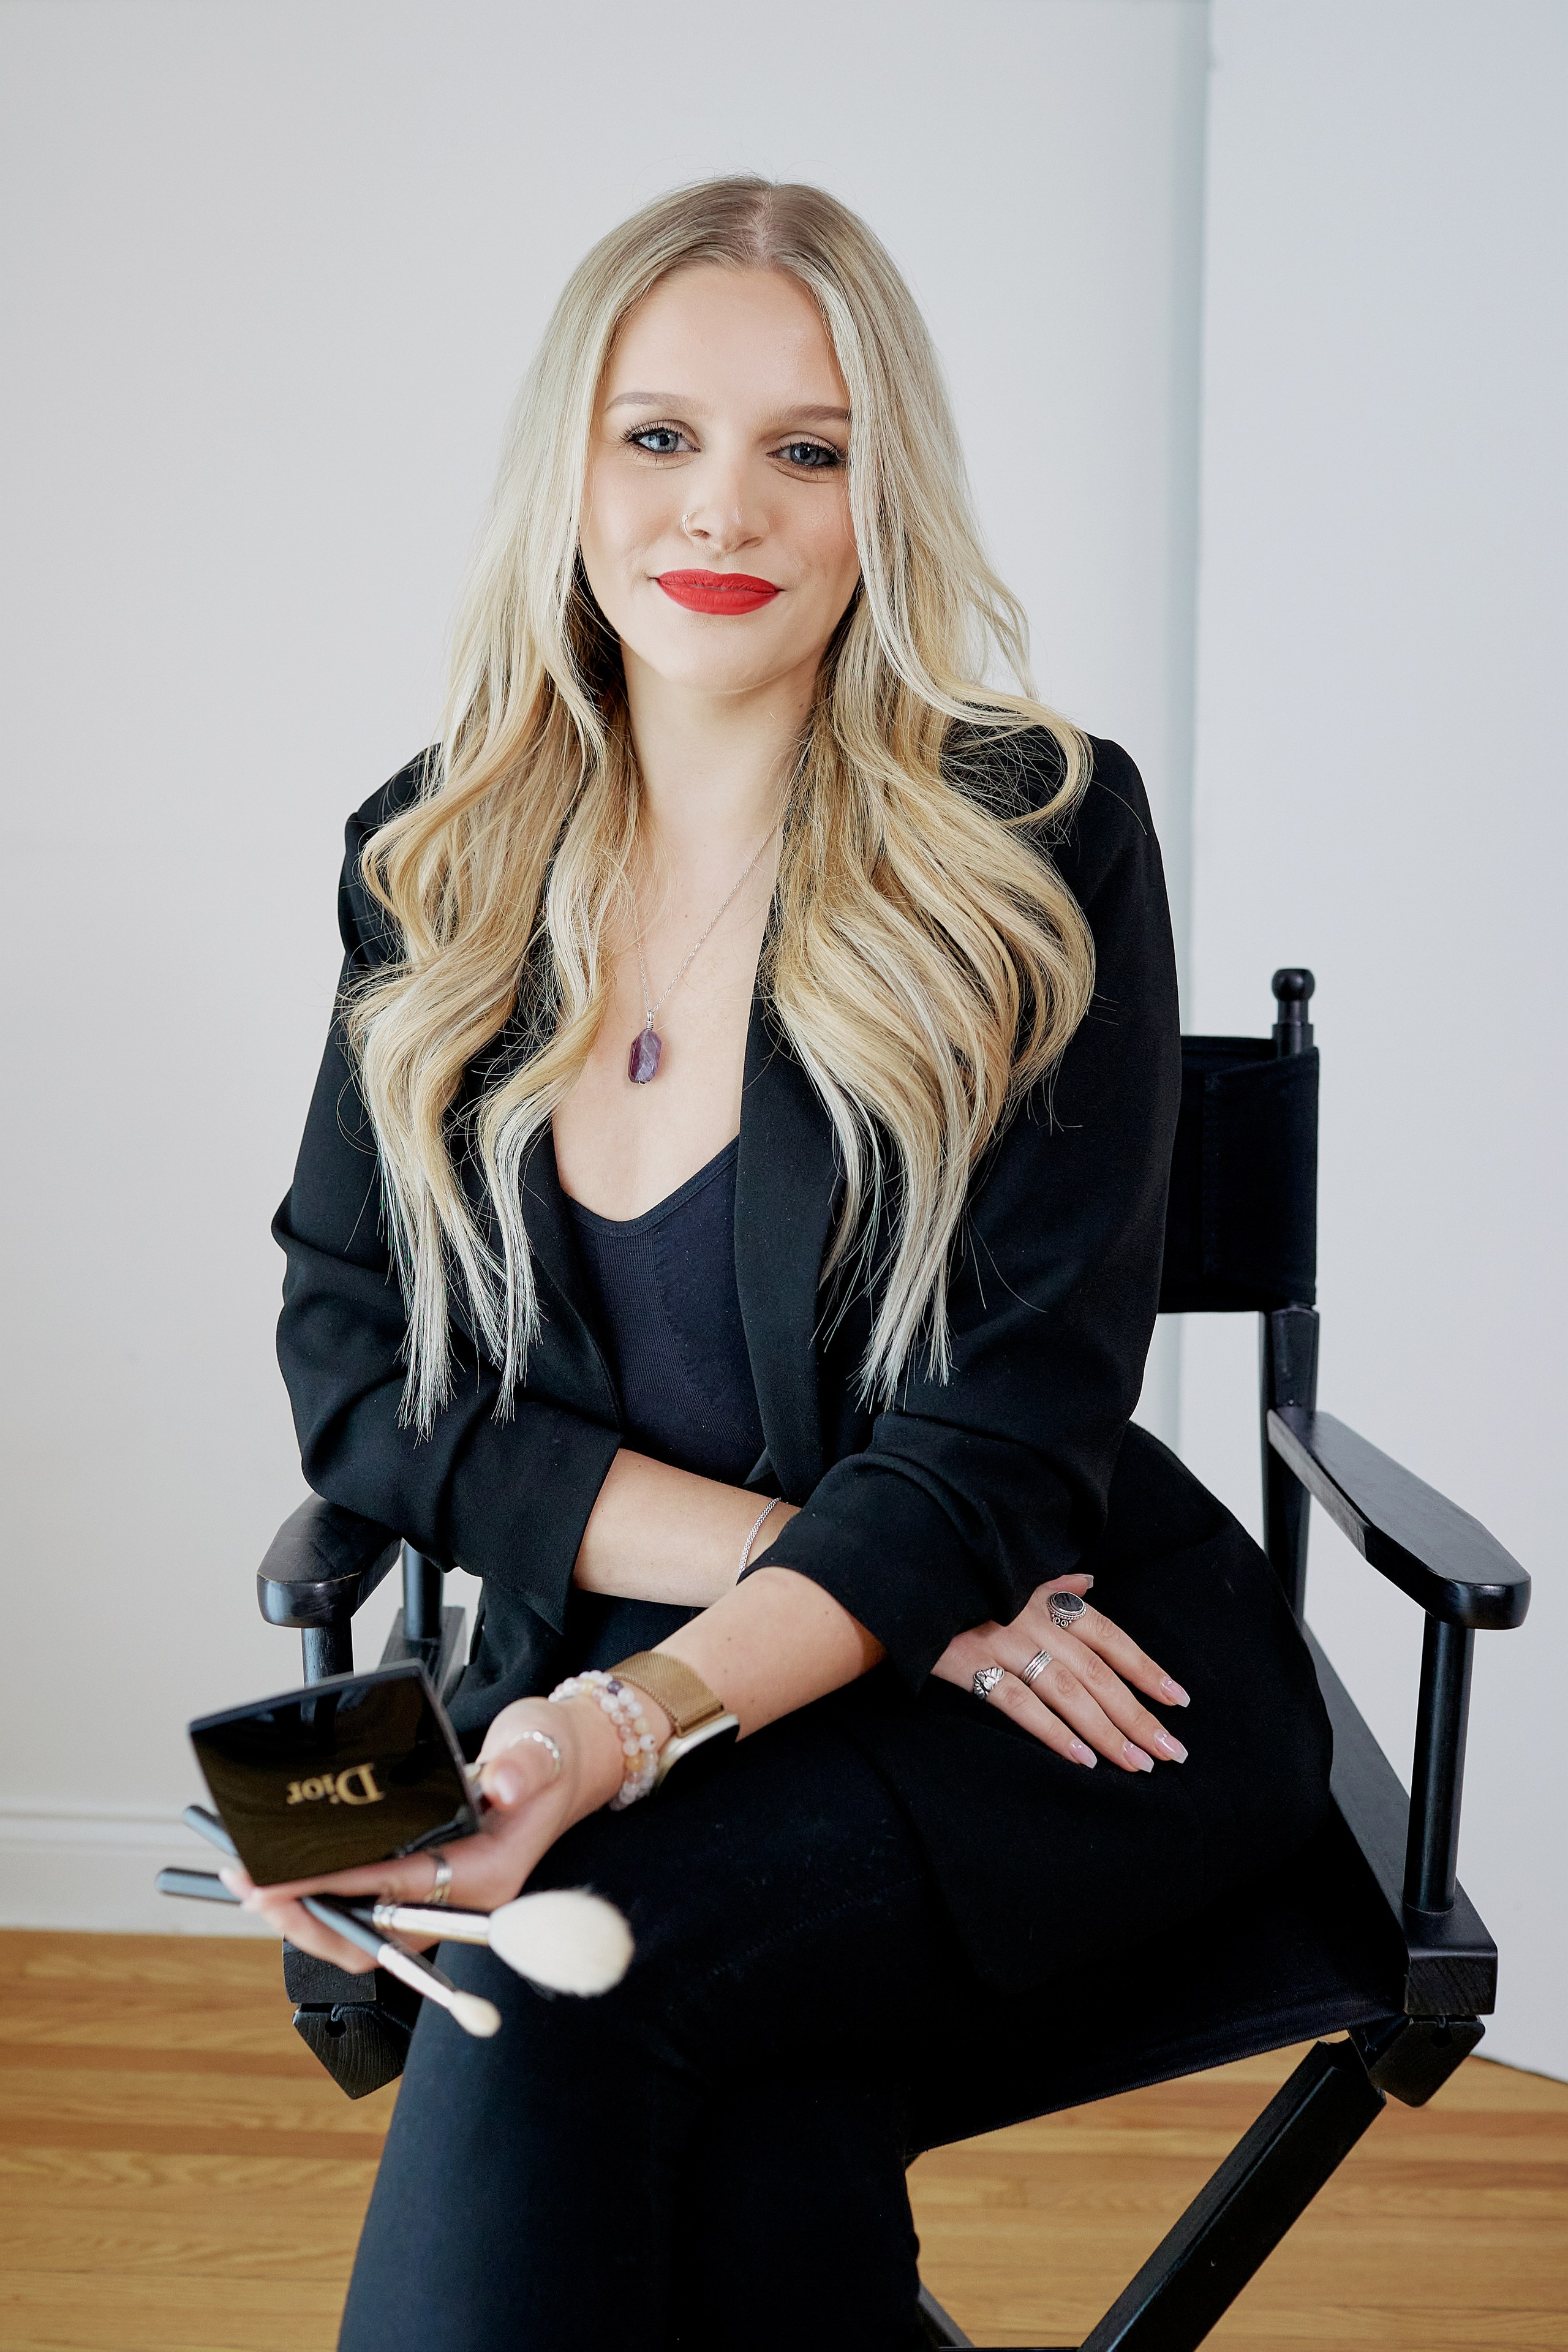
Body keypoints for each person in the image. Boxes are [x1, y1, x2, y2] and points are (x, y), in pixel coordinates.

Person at [228, 177, 1332, 2351]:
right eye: (656, 435)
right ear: (570, 466)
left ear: (879, 491)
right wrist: (765, 1597)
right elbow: (363, 1376)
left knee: (551, 2000)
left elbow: (1010, 1423)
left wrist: (632, 1724)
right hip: (818, 1635)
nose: (719, 505)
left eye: (804, 448)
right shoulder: (430, 852)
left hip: (1060, 1688)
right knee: (737, 2138)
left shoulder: (1034, 836)